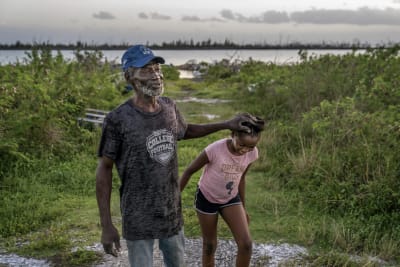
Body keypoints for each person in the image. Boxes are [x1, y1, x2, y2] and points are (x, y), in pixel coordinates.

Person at [95, 44, 259, 267]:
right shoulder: (118, 119)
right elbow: (104, 169)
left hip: (171, 211)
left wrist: (225, 124)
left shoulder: (169, 106)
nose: (155, 75)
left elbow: (185, 130)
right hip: (138, 215)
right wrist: (106, 224)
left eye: (156, 68)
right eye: (146, 70)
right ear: (129, 77)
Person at [179, 116, 264, 267]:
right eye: (242, 144)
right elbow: (188, 171)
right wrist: (174, 199)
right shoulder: (215, 149)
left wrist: (243, 208)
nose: (245, 150)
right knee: (210, 245)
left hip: (230, 198)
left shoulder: (252, 153)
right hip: (207, 198)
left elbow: (241, 179)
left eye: (250, 147)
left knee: (246, 244)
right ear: (233, 135)